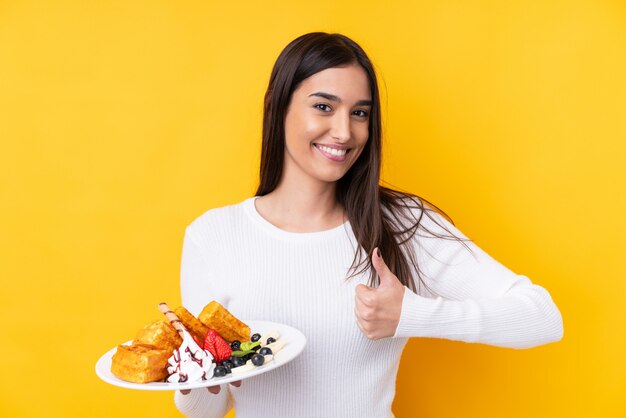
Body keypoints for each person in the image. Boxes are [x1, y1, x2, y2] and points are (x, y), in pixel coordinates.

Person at [173, 32, 563, 418]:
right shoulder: (214, 236)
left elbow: (542, 318)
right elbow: (207, 410)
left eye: (360, 113)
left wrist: (411, 315)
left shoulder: (401, 223)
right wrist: (193, 378)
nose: (345, 132)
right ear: (278, 107)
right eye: (323, 107)